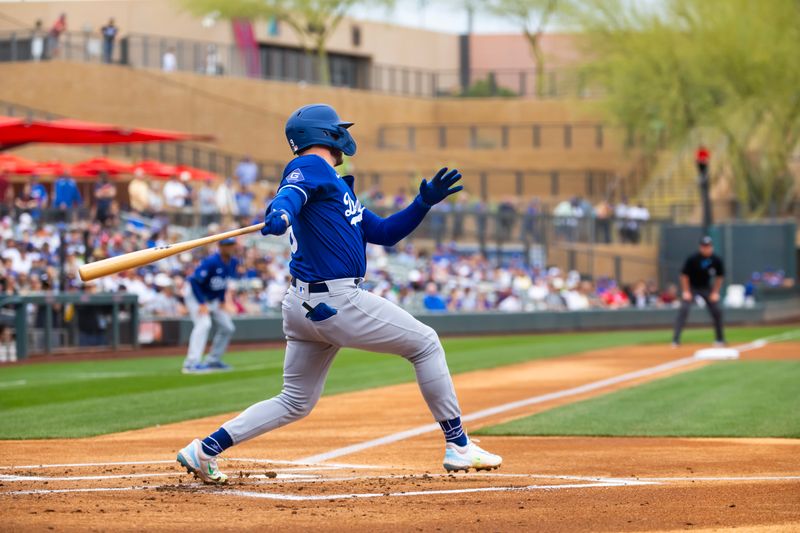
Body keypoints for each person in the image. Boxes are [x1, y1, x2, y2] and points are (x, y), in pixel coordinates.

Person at [177, 103, 501, 484]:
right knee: (426, 343)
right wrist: (280, 212)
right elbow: (289, 192)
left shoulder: (336, 186)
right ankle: (459, 446)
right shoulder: (313, 167)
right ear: (324, 134)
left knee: (295, 401)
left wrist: (421, 204)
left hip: (305, 305)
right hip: (335, 301)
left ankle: (205, 449)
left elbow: (385, 233)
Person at [181, 239, 238, 374]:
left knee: (228, 327)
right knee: (204, 324)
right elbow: (194, 282)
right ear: (220, 247)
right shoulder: (211, 261)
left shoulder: (233, 262)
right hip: (196, 295)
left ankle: (213, 359)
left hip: (213, 298)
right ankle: (191, 363)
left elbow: (223, 282)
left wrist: (222, 299)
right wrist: (201, 303)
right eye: (227, 245)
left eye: (231, 245)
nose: (230, 248)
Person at [672, 236, 726, 347]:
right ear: (700, 247)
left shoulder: (716, 260)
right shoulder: (693, 259)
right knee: (684, 309)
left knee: (717, 311)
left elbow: (719, 277)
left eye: (708, 246)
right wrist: (686, 291)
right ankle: (676, 340)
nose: (706, 248)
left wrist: (715, 292)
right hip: (692, 287)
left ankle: (720, 339)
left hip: (706, 288)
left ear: (711, 247)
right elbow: (684, 276)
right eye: (704, 246)